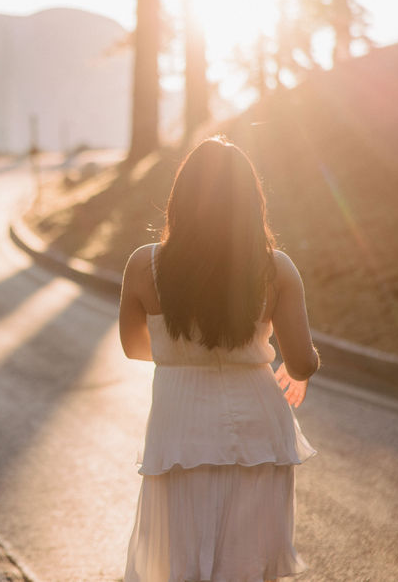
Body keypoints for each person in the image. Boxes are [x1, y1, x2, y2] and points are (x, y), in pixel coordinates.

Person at [119, 136, 319, 582]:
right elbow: (302, 360)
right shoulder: (276, 269)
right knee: (247, 563)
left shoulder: (143, 265)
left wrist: (186, 352)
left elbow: (133, 346)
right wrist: (292, 370)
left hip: (179, 423)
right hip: (258, 425)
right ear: (251, 202)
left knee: (177, 561)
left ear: (181, 199)